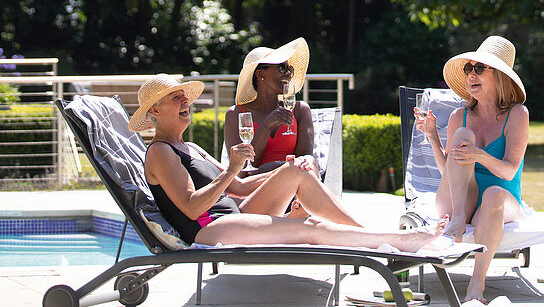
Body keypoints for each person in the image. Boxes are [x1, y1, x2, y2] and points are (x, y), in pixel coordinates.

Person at [133, 73, 448, 251]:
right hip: (209, 228)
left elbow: (239, 186)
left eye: (184, 96)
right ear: (155, 112)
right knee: (308, 226)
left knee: (296, 170)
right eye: (176, 98)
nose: (185, 102)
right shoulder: (160, 152)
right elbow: (191, 208)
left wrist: (284, 170)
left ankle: (371, 239)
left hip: (235, 213)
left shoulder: (191, 147)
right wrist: (230, 168)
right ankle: (395, 242)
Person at [415, 36, 529, 307]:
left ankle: (476, 285)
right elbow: (449, 171)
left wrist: (479, 155)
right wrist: (432, 136)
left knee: (492, 194)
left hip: (500, 196)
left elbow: (510, 172)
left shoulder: (517, 114)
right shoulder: (459, 117)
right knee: (464, 134)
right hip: (460, 202)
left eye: (479, 68)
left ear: (499, 76)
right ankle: (457, 221)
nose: (471, 75)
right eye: (469, 69)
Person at [224, 38, 317, 177]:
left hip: (292, 184)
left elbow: (304, 162)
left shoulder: (300, 110)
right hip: (253, 188)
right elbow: (242, 171)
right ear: (260, 74)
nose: (288, 73)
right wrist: (267, 125)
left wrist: (276, 169)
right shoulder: (236, 114)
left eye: (289, 69)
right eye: (282, 67)